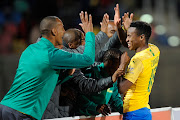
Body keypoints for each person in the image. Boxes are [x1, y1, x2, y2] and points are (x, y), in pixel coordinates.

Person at [0, 11, 96, 120]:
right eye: (62, 28)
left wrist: (67, 74)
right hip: (22, 113)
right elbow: (88, 59)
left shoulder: (29, 49)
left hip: (5, 108)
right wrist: (89, 33)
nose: (64, 32)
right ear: (54, 31)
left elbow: (41, 81)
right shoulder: (52, 54)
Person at [114, 4, 160, 120]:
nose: (127, 39)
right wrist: (123, 28)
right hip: (144, 110)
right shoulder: (154, 50)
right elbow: (128, 44)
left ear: (141, 37)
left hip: (133, 111)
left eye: (129, 35)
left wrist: (122, 65)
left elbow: (122, 88)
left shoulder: (137, 60)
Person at [75, 49, 124, 116]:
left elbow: (115, 99)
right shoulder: (92, 72)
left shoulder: (113, 77)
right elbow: (80, 99)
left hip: (99, 117)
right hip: (82, 116)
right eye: (119, 64)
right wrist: (95, 107)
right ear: (110, 62)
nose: (121, 68)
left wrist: (124, 109)